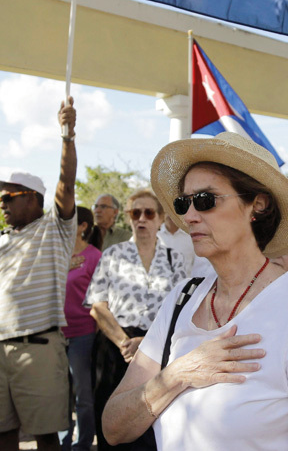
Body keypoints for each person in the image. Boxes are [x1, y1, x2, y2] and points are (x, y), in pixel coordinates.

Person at [102, 132, 288, 450]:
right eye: (184, 203)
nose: (190, 216)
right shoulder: (182, 299)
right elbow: (113, 428)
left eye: (205, 200)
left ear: (257, 205)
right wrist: (178, 373)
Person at [0, 98, 78, 451]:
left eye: (9, 196)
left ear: (33, 199)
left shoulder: (55, 229)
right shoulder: (3, 241)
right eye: (0, 197)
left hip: (39, 347)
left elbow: (66, 182)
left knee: (45, 437)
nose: (1, 203)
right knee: (2, 434)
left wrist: (67, 135)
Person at [84, 189, 187, 450]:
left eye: (149, 213)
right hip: (115, 346)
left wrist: (146, 342)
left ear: (161, 218)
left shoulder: (175, 259)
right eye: (135, 213)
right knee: (111, 420)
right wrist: (124, 342)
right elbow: (97, 306)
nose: (142, 218)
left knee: (153, 420)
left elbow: (182, 309)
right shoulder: (113, 254)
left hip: (158, 346)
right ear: (129, 217)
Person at [61, 206, 103, 451]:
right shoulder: (54, 255)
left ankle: (82, 444)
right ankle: (61, 443)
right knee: (59, 396)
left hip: (83, 334)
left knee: (82, 396)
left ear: (83, 226)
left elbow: (100, 298)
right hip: (54, 335)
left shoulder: (95, 256)